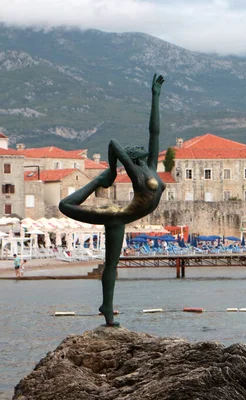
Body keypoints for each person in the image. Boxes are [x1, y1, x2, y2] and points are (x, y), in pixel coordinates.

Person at [59, 74, 166, 327]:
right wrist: (112, 171)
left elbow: (154, 130)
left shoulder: (151, 166)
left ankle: (107, 307)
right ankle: (96, 181)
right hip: (115, 215)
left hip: (122, 218)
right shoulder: (136, 172)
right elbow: (113, 143)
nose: (143, 145)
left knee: (112, 264)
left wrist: (156, 96)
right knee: (65, 206)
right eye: (137, 146)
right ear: (133, 156)